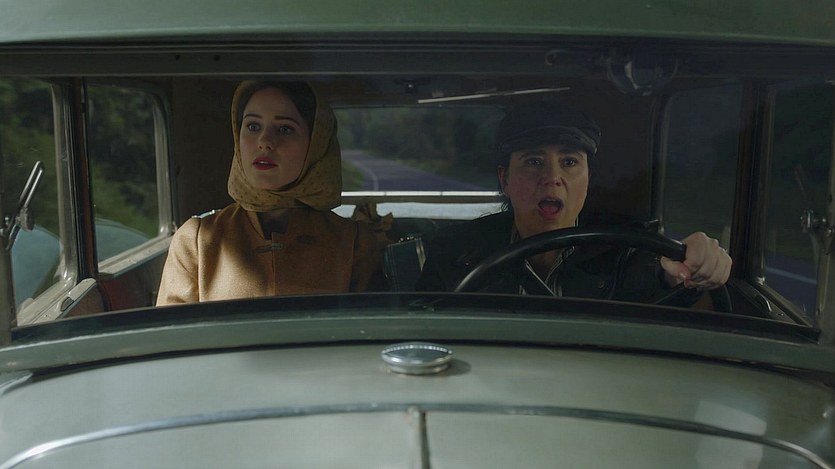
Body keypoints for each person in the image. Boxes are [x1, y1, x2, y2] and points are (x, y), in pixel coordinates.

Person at [416, 101, 732, 304]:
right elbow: (425, 328)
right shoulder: (455, 251)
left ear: (588, 178)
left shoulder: (628, 250)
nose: (552, 177)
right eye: (533, 162)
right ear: (505, 179)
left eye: (569, 162)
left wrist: (695, 263)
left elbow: (660, 280)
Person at [156, 81, 383, 305]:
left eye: (285, 129)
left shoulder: (353, 242)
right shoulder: (196, 242)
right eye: (253, 126)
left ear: (316, 144)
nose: (265, 141)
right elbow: (170, 328)